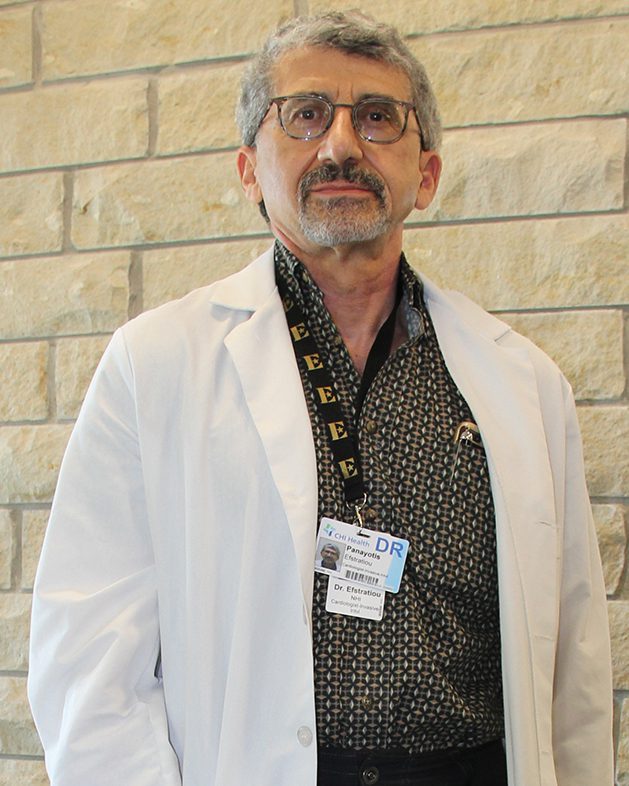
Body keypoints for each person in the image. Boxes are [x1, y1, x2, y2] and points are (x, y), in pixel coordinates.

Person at [28, 11, 613, 786]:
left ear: (425, 175)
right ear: (249, 170)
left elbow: (573, 667)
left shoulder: (524, 384)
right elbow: (88, 663)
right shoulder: (156, 366)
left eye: (377, 118)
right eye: (304, 115)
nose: (340, 145)